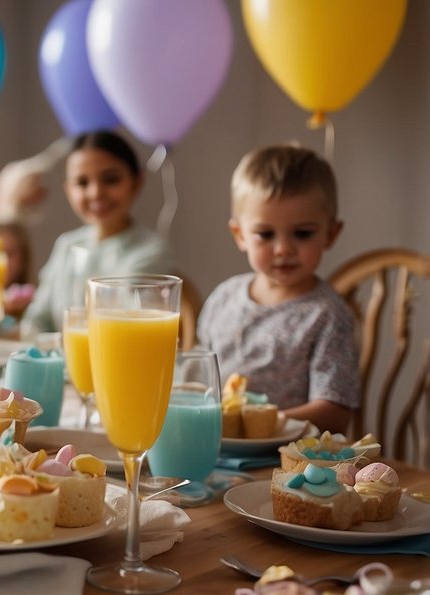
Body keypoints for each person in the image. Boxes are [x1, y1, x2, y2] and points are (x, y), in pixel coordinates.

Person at [197, 144, 358, 434]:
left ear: (331, 234)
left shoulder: (328, 315)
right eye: (265, 234)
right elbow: (198, 381)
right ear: (240, 235)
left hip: (294, 459)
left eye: (303, 233)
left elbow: (335, 412)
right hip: (218, 450)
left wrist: (258, 424)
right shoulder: (223, 299)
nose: (283, 249)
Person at [25, 131, 177, 332]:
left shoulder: (151, 251)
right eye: (82, 182)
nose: (96, 193)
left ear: (136, 182)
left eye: (111, 180)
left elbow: (129, 323)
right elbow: (36, 319)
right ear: (69, 190)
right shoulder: (67, 245)